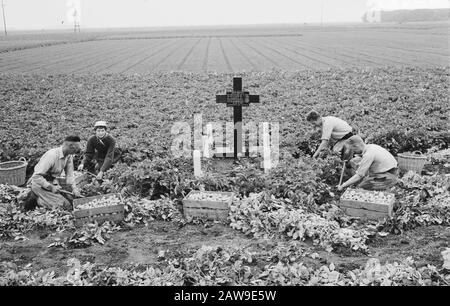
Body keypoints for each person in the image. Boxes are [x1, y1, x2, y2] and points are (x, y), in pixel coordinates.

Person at [24, 135, 82, 210]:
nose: (76, 152)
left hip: (52, 182)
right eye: (76, 149)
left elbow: (70, 175)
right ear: (71, 147)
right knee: (64, 206)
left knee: (71, 201)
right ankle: (37, 200)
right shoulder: (52, 155)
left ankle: (45, 198)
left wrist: (74, 189)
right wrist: (51, 187)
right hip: (39, 184)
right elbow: (36, 176)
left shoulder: (68, 156)